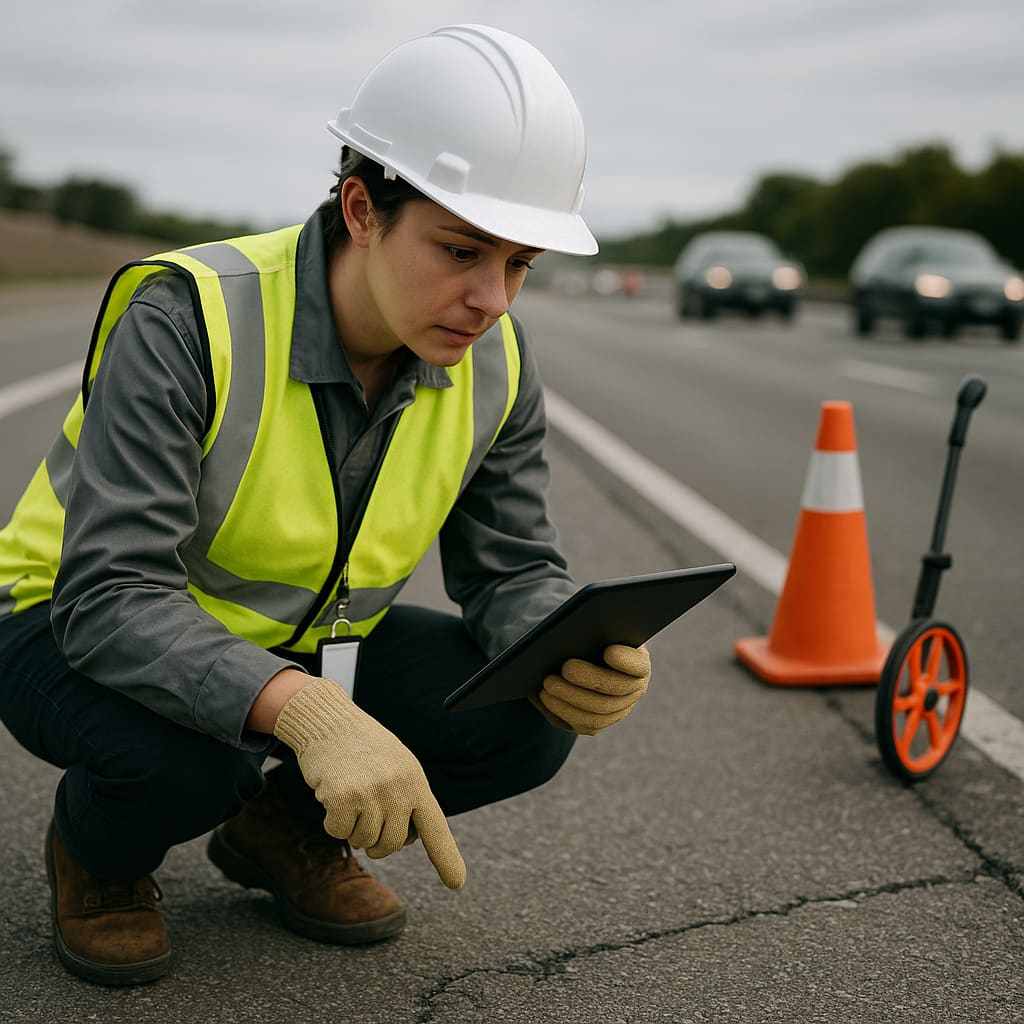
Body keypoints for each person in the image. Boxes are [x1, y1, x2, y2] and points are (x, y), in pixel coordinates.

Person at [0, 23, 651, 987]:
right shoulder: (187, 315)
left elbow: (512, 568)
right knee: (197, 761)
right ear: (361, 209)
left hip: (300, 639)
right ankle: (98, 859)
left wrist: (564, 642)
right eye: (462, 249)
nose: (493, 299)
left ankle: (281, 833)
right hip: (68, 618)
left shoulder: (499, 362)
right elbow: (111, 595)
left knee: (524, 721)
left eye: (520, 263)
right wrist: (301, 709)